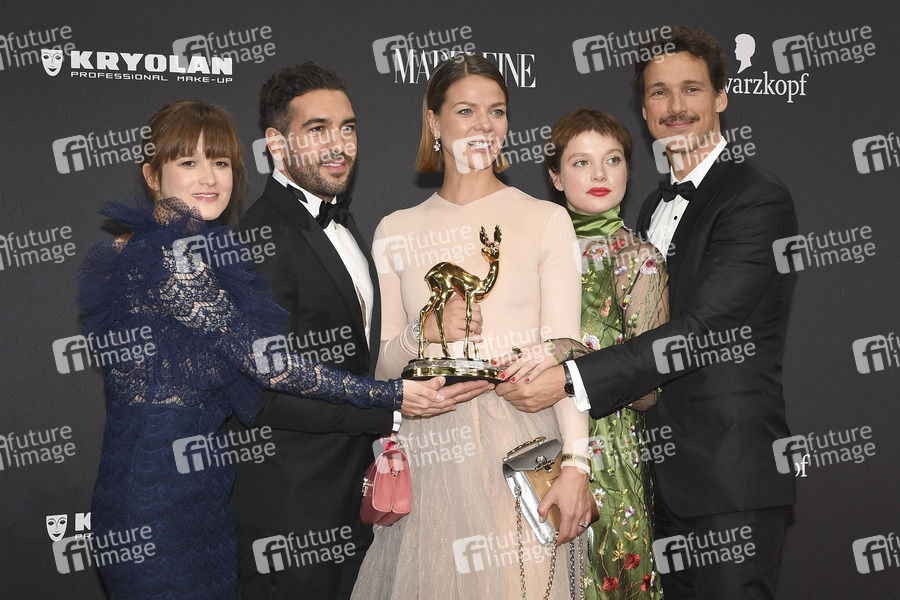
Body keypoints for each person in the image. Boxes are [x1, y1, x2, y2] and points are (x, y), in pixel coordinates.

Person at [78, 99, 454, 599]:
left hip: (203, 485)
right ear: (152, 175)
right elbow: (268, 364)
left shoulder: (192, 253)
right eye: (188, 162)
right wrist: (389, 394)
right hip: (158, 494)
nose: (209, 177)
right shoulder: (169, 257)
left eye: (220, 162)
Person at [498, 26, 798, 599]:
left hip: (726, 477)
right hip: (646, 479)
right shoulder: (653, 206)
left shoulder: (755, 196)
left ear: (722, 97)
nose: (675, 105)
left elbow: (701, 330)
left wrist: (569, 376)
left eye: (692, 88)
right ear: (644, 109)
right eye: (660, 92)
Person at [228, 62, 488, 600]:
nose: (338, 144)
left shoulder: (342, 223)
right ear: (276, 144)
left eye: (347, 128)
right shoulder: (260, 237)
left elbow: (354, 359)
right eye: (317, 128)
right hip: (291, 511)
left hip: (357, 497)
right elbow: (265, 395)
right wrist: (391, 406)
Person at [351, 54, 592, 600]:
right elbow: (385, 370)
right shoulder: (396, 229)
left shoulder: (545, 219)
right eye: (466, 110)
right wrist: (427, 332)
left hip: (523, 446)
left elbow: (566, 357)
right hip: (430, 451)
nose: (485, 124)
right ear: (433, 122)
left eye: (497, 111)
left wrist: (577, 464)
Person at [544, 108, 669, 598]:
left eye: (612, 160)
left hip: (608, 458)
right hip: (530, 438)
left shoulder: (638, 260)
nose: (600, 174)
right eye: (581, 162)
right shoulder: (532, 254)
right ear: (555, 176)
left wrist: (572, 355)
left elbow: (649, 393)